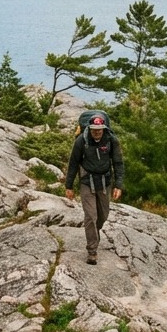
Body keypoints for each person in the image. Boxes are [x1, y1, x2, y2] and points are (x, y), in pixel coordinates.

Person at [64, 113, 124, 264]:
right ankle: (92, 251)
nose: (97, 132)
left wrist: (119, 184)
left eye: (99, 129)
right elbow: (73, 163)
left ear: (104, 128)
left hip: (104, 182)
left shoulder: (111, 140)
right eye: (94, 129)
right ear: (89, 128)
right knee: (91, 216)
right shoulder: (81, 141)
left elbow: (118, 163)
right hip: (87, 181)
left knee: (103, 216)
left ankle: (94, 233)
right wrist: (69, 185)